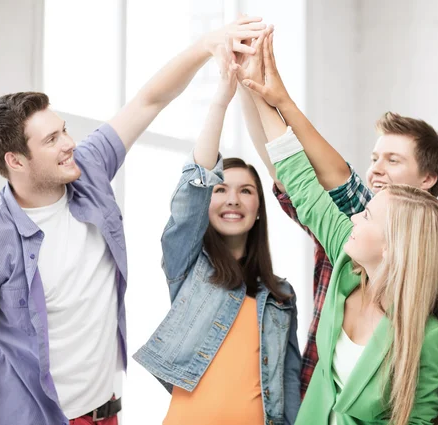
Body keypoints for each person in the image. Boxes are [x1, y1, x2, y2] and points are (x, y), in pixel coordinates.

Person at [0, 17, 267, 425]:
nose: (69, 143)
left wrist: (207, 44)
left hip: (106, 414)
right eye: (52, 140)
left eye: (62, 130)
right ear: (15, 161)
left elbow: (150, 99)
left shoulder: (88, 168)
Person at [240, 30, 438, 425]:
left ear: (393, 246)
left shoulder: (428, 337)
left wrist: (278, 100)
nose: (356, 215)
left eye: (368, 215)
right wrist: (256, 90)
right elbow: (300, 181)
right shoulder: (347, 259)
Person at [132, 44, 301, 425]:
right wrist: (221, 102)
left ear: (259, 209)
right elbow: (193, 187)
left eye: (246, 191)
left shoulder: (282, 296)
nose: (232, 199)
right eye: (221, 189)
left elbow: (289, 384)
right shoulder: (188, 266)